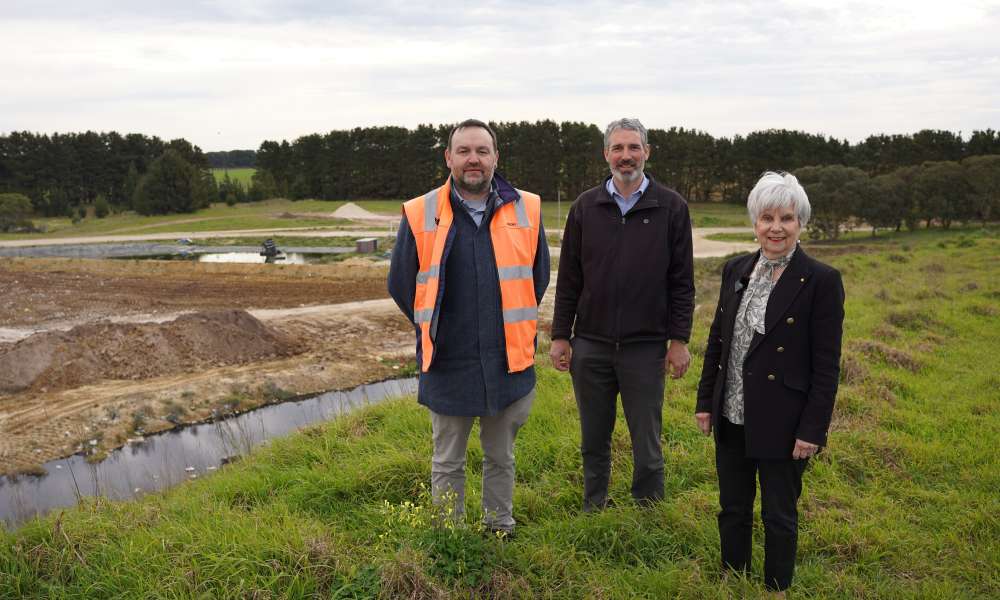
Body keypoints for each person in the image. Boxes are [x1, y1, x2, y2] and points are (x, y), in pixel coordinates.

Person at [388, 119, 550, 537]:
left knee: (501, 456)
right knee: (447, 461)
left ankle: (500, 525)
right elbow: (401, 283)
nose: (473, 159)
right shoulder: (421, 211)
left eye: (482, 151)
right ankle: (450, 536)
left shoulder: (526, 208)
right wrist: (436, 325)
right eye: (464, 151)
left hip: (507, 361)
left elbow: (538, 276)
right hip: (447, 361)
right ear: (449, 158)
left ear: (496, 157)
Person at [695, 171, 845, 595]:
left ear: (801, 223)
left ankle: (777, 586)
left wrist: (812, 429)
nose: (776, 227)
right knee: (732, 507)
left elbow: (826, 365)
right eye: (767, 218)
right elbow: (718, 341)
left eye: (786, 218)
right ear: (754, 223)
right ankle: (733, 578)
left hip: (785, 421)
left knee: (779, 513)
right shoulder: (736, 269)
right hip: (733, 412)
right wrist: (706, 401)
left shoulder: (821, 280)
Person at [550, 118, 695, 511]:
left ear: (646, 151)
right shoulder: (585, 207)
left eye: (633, 147)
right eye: (617, 148)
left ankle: (648, 509)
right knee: (593, 436)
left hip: (645, 348)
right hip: (591, 346)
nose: (625, 156)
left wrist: (678, 340)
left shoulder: (671, 208)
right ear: (606, 155)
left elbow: (683, 282)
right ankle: (594, 504)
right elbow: (569, 279)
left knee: (646, 438)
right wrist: (561, 335)